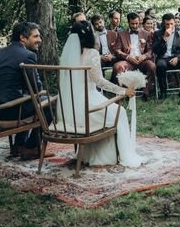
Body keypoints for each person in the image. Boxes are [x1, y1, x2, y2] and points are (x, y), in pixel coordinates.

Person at [60, 22, 143, 167]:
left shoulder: (68, 56)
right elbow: (99, 81)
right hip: (88, 106)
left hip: (70, 107)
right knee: (120, 112)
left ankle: (91, 156)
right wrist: (123, 91)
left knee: (112, 112)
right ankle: (120, 155)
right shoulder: (92, 54)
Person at [0, 22, 53, 160]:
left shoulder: (1, 52)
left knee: (28, 99)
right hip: (4, 111)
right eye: (36, 36)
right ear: (23, 38)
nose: (40, 40)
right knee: (50, 102)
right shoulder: (27, 55)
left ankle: (19, 145)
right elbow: (37, 88)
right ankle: (31, 148)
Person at [152, 13, 180, 100]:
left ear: (174, 23)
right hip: (163, 58)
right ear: (163, 23)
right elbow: (155, 50)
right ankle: (163, 92)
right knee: (160, 65)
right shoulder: (157, 33)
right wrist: (164, 38)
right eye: (167, 24)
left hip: (177, 58)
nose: (170, 26)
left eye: (172, 24)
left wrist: (178, 58)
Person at [112, 12, 156, 99]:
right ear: (128, 22)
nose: (135, 26)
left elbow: (151, 50)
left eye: (137, 23)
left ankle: (145, 93)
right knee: (117, 67)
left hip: (142, 60)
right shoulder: (121, 34)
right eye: (132, 23)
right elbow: (117, 50)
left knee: (152, 66)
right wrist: (128, 57)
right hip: (128, 61)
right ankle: (125, 92)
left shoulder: (146, 34)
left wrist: (144, 56)